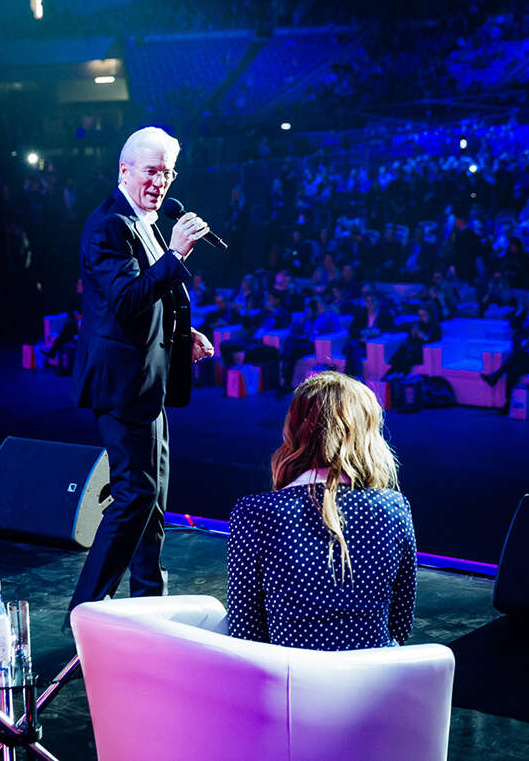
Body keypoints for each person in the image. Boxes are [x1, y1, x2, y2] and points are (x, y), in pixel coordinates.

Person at [66, 127, 214, 622]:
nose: (160, 182)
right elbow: (127, 299)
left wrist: (182, 334)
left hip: (147, 380)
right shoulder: (109, 226)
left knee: (153, 499)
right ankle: (86, 611)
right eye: (151, 171)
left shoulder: (142, 220)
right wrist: (177, 253)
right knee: (134, 496)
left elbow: (149, 297)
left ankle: (149, 604)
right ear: (124, 170)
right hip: (120, 383)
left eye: (167, 172)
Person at [227, 372, 416, 650]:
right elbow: (400, 625)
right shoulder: (393, 508)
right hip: (375, 674)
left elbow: (245, 633)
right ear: (366, 434)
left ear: (294, 430)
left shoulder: (255, 513)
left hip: (289, 674)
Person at [383, 304, 441, 378]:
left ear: (430, 314)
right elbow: (410, 340)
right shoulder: (419, 324)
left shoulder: (435, 326)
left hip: (424, 351)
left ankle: (399, 373)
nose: (421, 318)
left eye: (423, 315)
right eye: (420, 315)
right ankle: (393, 372)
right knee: (404, 348)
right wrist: (413, 335)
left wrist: (421, 336)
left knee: (409, 352)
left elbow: (432, 340)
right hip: (413, 348)